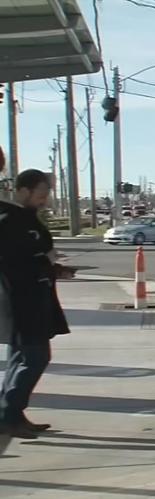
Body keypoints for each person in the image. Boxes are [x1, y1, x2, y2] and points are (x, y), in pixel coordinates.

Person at [0, 169, 74, 439]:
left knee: (21, 360)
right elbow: (14, 263)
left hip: (34, 299)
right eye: (40, 195)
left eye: (46, 195)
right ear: (22, 191)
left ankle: (11, 415)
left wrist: (55, 270)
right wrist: (45, 265)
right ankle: (9, 415)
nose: (44, 200)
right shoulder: (9, 220)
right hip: (21, 302)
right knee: (34, 358)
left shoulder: (24, 219)